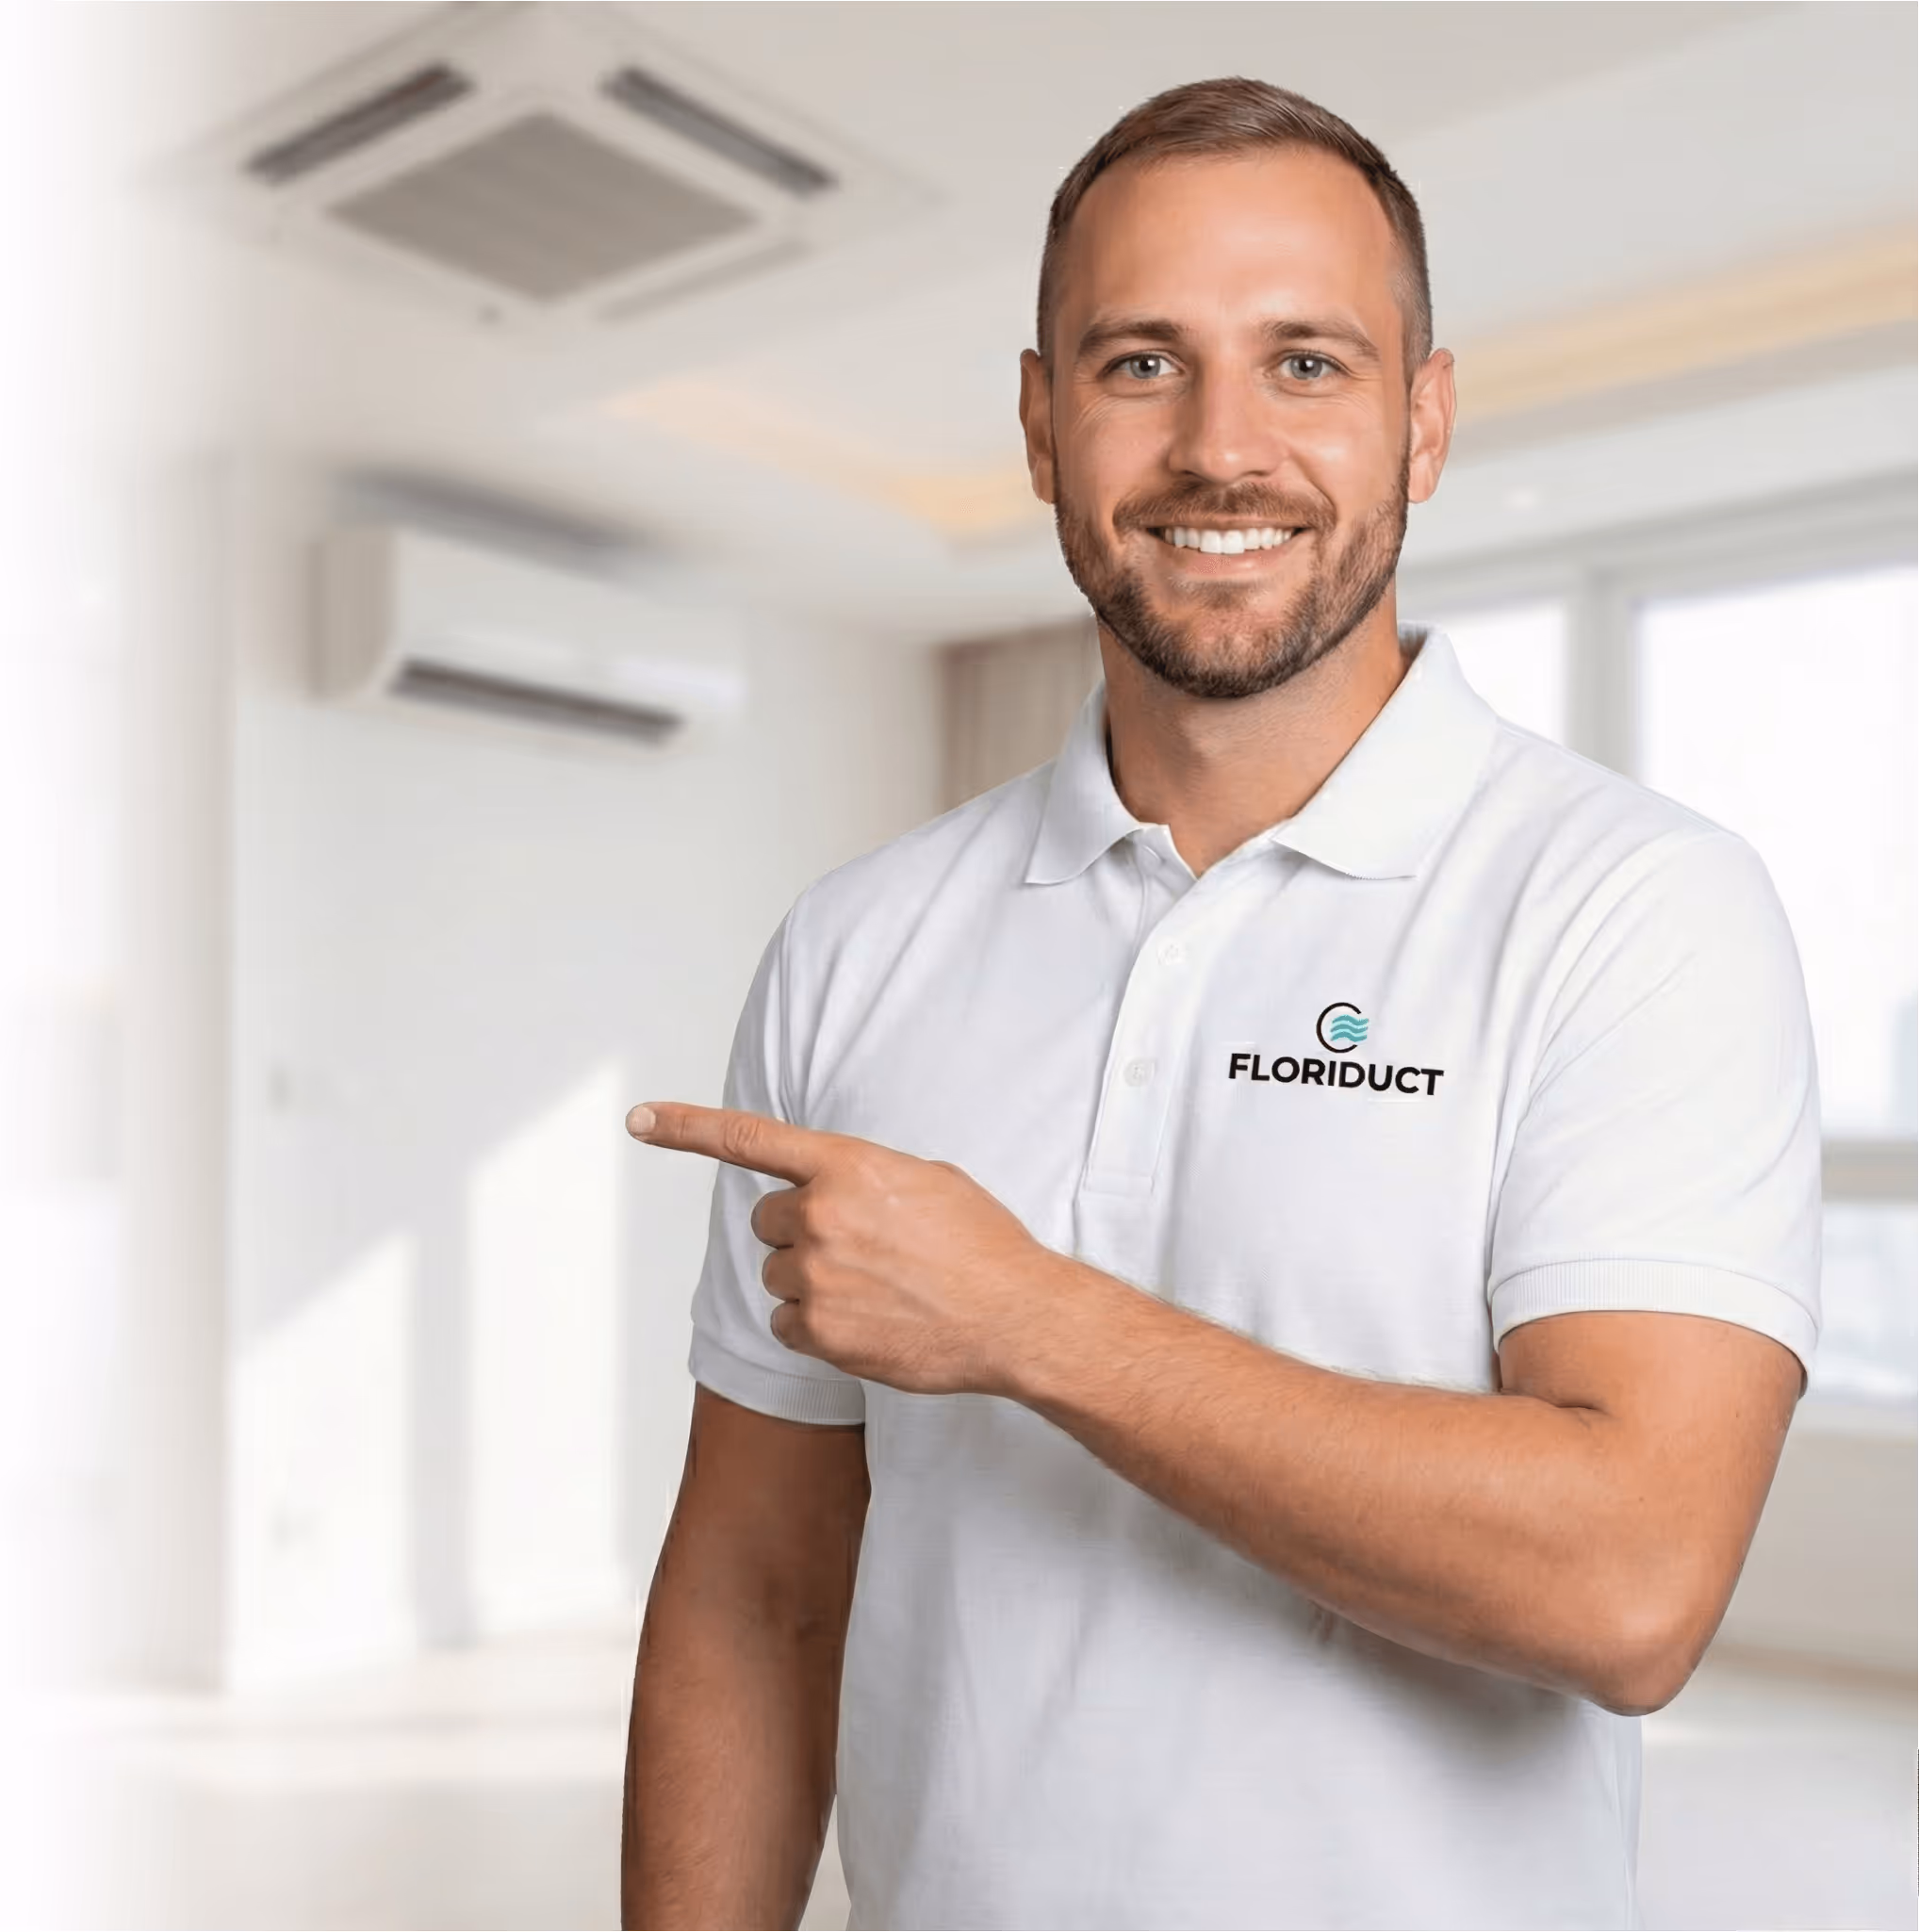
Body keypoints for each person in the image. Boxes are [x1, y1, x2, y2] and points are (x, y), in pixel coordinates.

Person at [614, 76, 1822, 1931]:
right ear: (1036, 422)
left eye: (1306, 364)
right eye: (1135, 364)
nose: (1218, 445)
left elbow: (1628, 1580)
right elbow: (751, 1584)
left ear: (1421, 420)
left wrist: (1026, 1316)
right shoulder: (853, 942)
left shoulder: (1629, 907)